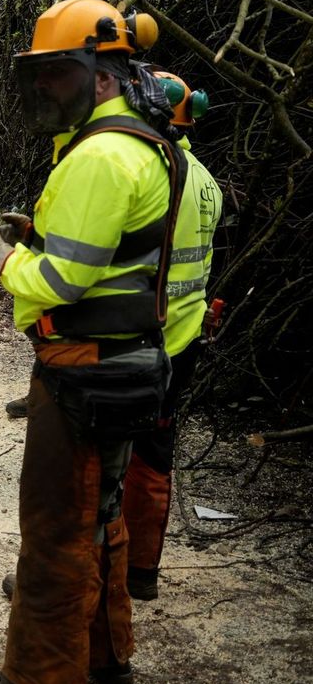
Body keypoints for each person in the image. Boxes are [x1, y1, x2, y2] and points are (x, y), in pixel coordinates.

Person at [0, 0, 184, 684]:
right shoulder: (146, 143)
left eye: (59, 73)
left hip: (84, 362)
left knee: (57, 521)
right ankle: (106, 652)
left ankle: (42, 683)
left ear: (104, 74)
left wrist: (8, 261)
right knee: (102, 509)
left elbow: (60, 282)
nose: (47, 88)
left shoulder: (102, 156)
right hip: (124, 357)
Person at [122, 70, 221, 601]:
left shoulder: (149, 171)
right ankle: (141, 571)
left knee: (103, 456)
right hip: (182, 338)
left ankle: (84, 571)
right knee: (156, 450)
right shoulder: (205, 180)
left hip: (139, 335)